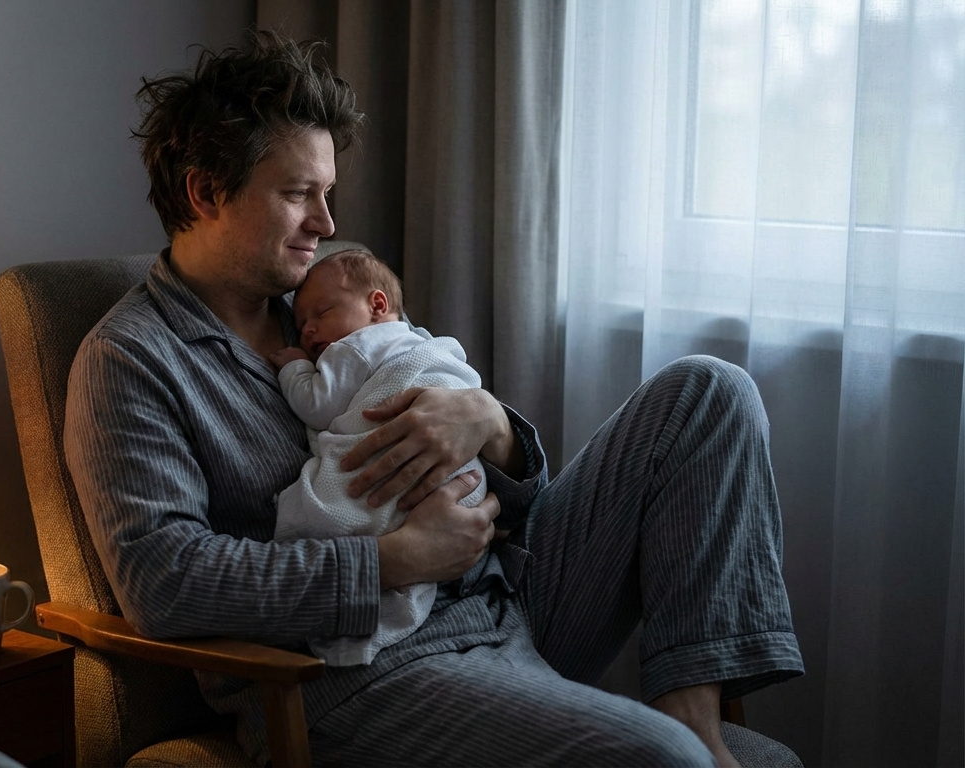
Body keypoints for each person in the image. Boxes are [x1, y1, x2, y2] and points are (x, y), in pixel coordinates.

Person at [63, 30, 802, 767]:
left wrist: (488, 424)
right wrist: (393, 561)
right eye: (297, 195)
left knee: (709, 390)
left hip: (501, 598)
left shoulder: (320, 306)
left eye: (327, 194)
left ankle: (694, 706)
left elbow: (513, 496)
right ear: (204, 192)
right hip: (353, 671)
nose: (324, 225)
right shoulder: (129, 361)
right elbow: (165, 581)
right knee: (660, 759)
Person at [267, 249, 487, 667]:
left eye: (321, 313)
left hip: (420, 460)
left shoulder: (355, 348)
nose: (308, 331)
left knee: (319, 508)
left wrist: (294, 368)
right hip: (467, 487)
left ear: (377, 305)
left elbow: (318, 405)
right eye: (299, 328)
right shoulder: (421, 341)